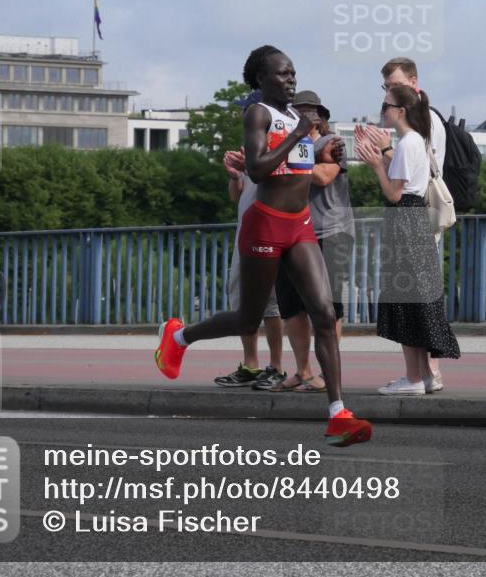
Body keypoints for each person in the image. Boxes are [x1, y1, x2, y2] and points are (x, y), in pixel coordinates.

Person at [155, 46, 371, 447]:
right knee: (247, 320)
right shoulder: (258, 113)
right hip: (265, 226)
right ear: (261, 79)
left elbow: (292, 165)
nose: (291, 80)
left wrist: (319, 151)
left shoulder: (292, 117)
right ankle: (179, 337)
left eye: (293, 73)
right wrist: (299, 135)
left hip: (300, 225)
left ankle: (338, 414)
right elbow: (257, 168)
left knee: (325, 314)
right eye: (283, 74)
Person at [356, 84, 460, 396]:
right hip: (416, 221)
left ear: (400, 111)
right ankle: (423, 376)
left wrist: (376, 165)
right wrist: (382, 155)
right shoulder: (417, 140)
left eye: (386, 106)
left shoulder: (406, 143)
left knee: (404, 300)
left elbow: (394, 193)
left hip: (404, 220)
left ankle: (413, 378)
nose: (382, 111)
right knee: (416, 299)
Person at [271, 90, 354, 393]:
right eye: (298, 110)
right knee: (291, 306)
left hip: (331, 232)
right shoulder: (286, 143)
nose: (305, 115)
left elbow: (323, 177)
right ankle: (303, 372)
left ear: (320, 116)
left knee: (329, 307)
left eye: (310, 110)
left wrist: (284, 162)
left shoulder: (332, 143)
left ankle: (327, 373)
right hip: (292, 232)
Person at [214, 90, 285, 390]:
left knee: (271, 305)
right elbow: (237, 195)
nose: (243, 114)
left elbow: (283, 185)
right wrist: (234, 175)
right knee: (244, 301)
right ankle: (250, 364)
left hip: (269, 234)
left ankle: (276, 366)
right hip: (245, 235)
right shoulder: (250, 147)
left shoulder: (278, 144)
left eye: (247, 109)